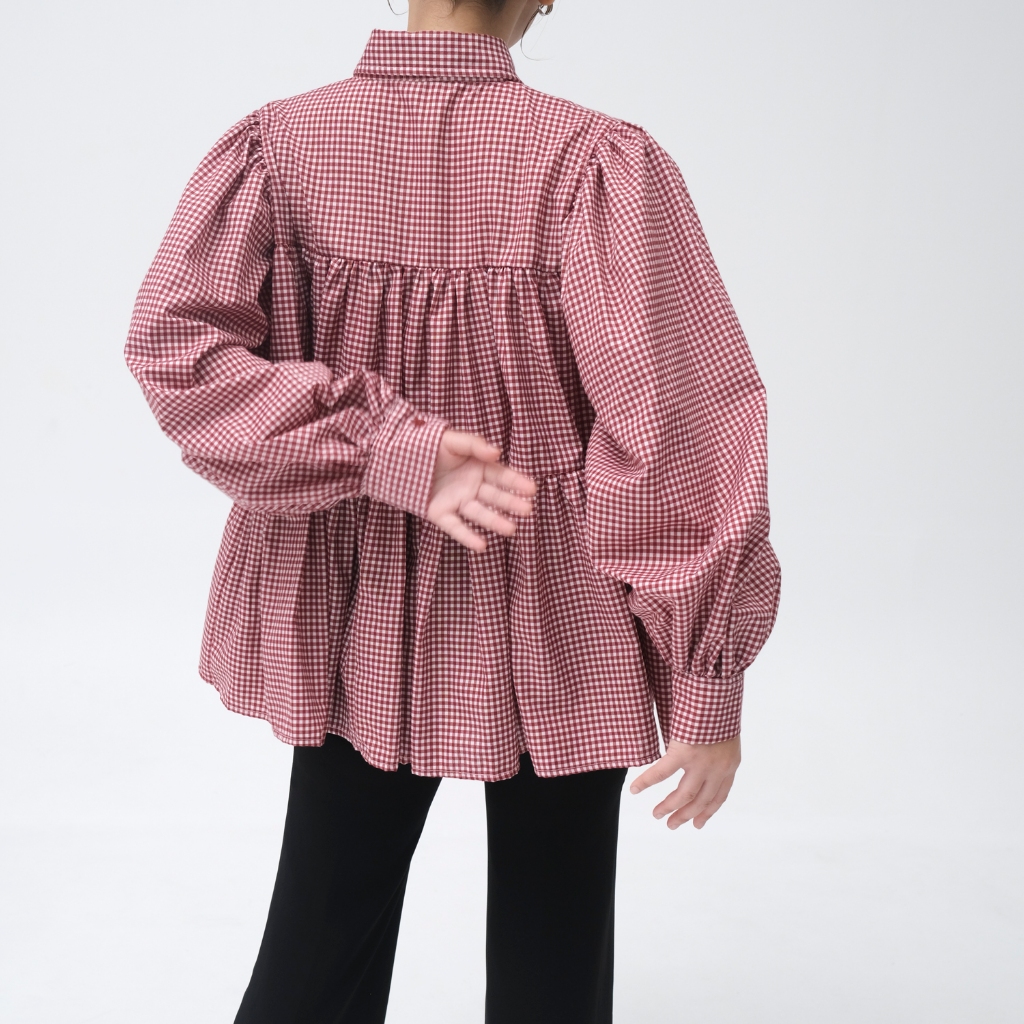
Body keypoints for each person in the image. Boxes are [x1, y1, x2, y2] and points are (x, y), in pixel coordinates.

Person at [125, 0, 781, 1020]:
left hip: (355, 606)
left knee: (321, 934)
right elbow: (677, 427)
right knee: (554, 950)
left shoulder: (278, 147)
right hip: (560, 613)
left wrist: (388, 452)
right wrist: (706, 682)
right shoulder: (594, 164)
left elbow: (178, 356)